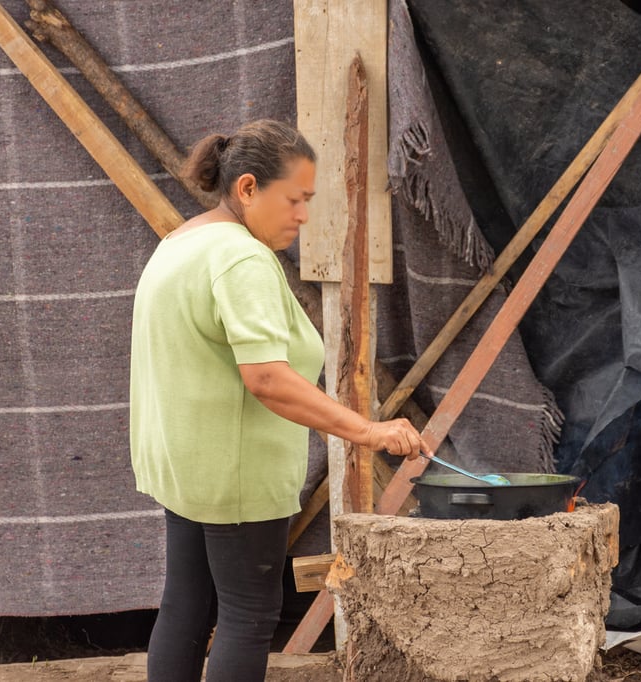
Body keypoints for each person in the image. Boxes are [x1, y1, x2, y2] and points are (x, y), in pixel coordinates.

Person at [128, 119, 430, 682]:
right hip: (235, 473)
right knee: (248, 613)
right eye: (294, 199)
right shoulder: (241, 259)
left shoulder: (182, 242)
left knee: (187, 604)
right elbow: (266, 378)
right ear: (247, 188)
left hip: (186, 465)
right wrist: (368, 431)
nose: (302, 215)